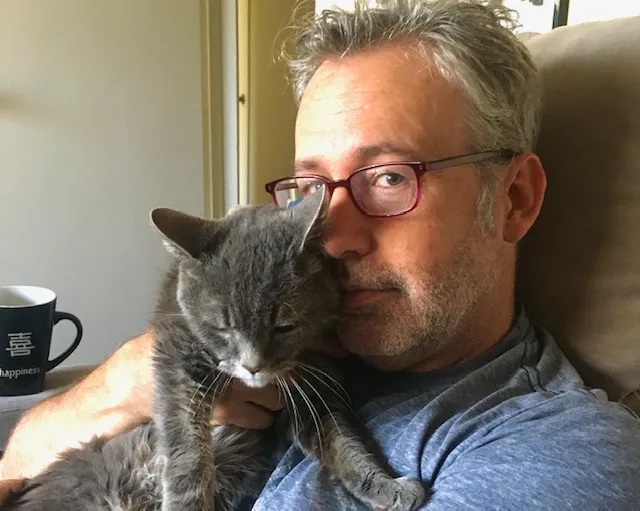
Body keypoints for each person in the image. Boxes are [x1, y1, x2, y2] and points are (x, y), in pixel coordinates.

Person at [2, 0, 640, 508]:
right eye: (312, 187)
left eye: (389, 178)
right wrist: (118, 388)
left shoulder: (553, 455)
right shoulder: (280, 325)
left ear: (515, 199)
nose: (330, 236)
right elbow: (17, 463)